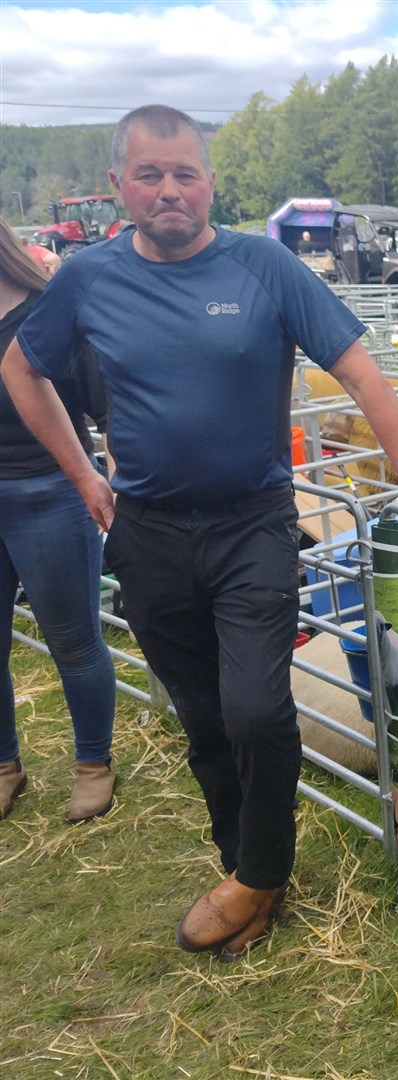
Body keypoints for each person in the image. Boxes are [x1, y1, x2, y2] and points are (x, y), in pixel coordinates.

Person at [1, 105, 398, 960]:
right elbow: (20, 365)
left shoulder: (263, 264)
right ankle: (248, 870)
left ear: (210, 182)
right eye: (149, 175)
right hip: (145, 531)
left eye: (185, 172)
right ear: (120, 187)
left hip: (252, 522)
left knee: (258, 708)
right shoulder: (87, 277)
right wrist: (82, 474)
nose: (170, 190)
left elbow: (362, 372)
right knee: (204, 717)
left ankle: (257, 874)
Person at [0, 217, 117, 823]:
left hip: (49, 488)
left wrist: (112, 474)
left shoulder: (47, 309)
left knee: (72, 639)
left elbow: (101, 401)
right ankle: (4, 766)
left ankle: (93, 764)